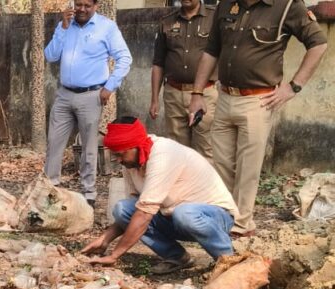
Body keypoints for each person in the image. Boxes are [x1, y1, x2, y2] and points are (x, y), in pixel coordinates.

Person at [188, 0, 327, 237]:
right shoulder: (225, 5)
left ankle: (242, 225)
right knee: (221, 165)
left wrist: (294, 86)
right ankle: (225, 218)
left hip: (258, 100)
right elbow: (211, 51)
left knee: (247, 168)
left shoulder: (287, 6)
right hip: (224, 97)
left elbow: (318, 44)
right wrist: (197, 93)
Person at [82, 117, 238, 275]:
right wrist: (105, 239)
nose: (119, 160)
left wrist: (114, 255)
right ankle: (177, 257)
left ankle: (229, 260)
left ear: (135, 146)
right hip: (174, 217)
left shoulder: (164, 154)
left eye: (120, 154)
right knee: (123, 209)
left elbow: (144, 215)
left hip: (214, 215)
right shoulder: (131, 162)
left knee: (184, 214)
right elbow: (137, 209)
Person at [44, 0, 132, 207]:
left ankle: (89, 193)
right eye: (79, 4)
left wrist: (110, 86)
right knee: (54, 143)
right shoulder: (65, 25)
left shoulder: (107, 27)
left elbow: (125, 58)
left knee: (89, 147)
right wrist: (62, 28)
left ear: (96, 6)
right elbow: (50, 55)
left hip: (91, 95)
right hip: (64, 94)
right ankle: (50, 190)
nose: (81, 9)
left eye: (87, 5)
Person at [150, 0, 217, 159]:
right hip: (174, 94)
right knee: (176, 150)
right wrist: (154, 99)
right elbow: (158, 63)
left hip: (205, 94)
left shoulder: (214, 18)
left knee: (205, 148)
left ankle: (204, 177)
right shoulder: (167, 22)